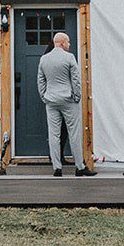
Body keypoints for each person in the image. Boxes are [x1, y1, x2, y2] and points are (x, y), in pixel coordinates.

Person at [36, 32, 92, 177]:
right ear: (61, 43)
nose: (69, 44)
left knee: (53, 134)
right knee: (74, 133)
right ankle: (79, 166)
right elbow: (76, 79)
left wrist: (44, 96)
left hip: (51, 100)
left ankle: (57, 167)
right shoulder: (69, 57)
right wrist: (77, 96)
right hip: (68, 99)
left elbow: (41, 80)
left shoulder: (44, 59)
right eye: (68, 42)